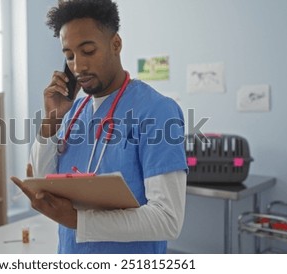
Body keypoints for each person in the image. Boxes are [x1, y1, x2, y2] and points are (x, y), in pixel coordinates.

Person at [11, 0, 188, 254]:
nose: (78, 67)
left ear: (115, 44)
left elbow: (167, 220)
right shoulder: (73, 112)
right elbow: (44, 181)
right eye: (69, 55)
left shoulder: (157, 111)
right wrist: (51, 120)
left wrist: (77, 220)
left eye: (88, 51)